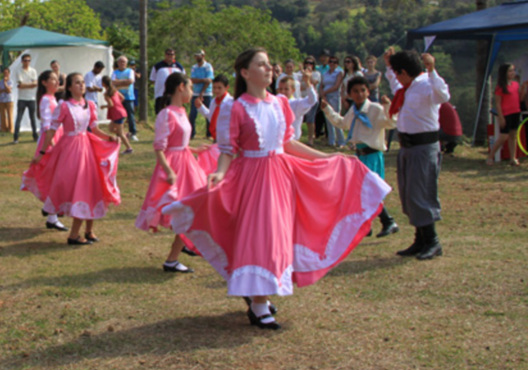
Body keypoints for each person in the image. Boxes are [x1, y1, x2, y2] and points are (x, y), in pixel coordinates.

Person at [162, 48, 391, 330]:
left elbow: (289, 144)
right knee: (261, 236)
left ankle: (259, 295)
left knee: (278, 235)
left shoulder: (280, 103)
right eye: (262, 64)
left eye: (269, 64)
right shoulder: (236, 107)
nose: (269, 68)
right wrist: (220, 173)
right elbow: (227, 149)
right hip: (251, 179)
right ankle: (258, 302)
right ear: (245, 73)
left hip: (280, 175)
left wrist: (327, 158)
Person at [23, 73, 121, 245]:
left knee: (92, 185)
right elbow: (51, 130)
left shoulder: (90, 104)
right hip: (70, 150)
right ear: (69, 87)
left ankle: (89, 230)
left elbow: (95, 129)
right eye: (77, 83)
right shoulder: (64, 106)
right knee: (80, 188)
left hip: (87, 148)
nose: (82, 85)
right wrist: (42, 153)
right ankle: (74, 234)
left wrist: (109, 137)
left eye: (83, 82)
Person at [136, 72, 207, 273]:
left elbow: (179, 142)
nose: (192, 92)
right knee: (186, 209)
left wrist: (193, 149)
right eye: (190, 87)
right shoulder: (166, 114)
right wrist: (168, 171)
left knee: (194, 208)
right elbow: (160, 147)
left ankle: (175, 255)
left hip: (186, 163)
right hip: (175, 166)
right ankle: (174, 257)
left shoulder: (182, 111)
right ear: (181, 87)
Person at [384, 48, 450, 260]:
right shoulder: (408, 88)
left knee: (420, 192)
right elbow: (395, 86)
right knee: (409, 194)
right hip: (408, 147)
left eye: (396, 72)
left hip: (423, 147)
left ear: (404, 72)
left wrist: (432, 70)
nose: (395, 77)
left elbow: (443, 95)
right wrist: (388, 65)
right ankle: (420, 239)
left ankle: (432, 241)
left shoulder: (425, 85)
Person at [321, 75, 400, 238]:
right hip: (360, 155)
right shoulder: (354, 110)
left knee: (371, 191)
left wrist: (388, 107)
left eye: (362, 90)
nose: (359, 94)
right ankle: (367, 225)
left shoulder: (375, 109)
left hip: (372, 154)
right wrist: (328, 110)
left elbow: (391, 123)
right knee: (361, 191)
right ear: (349, 94)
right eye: (355, 91)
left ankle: (388, 221)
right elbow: (343, 123)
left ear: (368, 91)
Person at [20, 70, 67, 232]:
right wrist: (51, 144)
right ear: (44, 82)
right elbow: (47, 124)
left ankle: (51, 213)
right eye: (52, 79)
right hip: (50, 141)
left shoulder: (53, 98)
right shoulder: (46, 100)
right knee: (52, 178)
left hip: (56, 139)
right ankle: (51, 213)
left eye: (57, 79)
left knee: (56, 178)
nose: (56, 82)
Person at [486, 63, 522, 166]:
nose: (512, 73)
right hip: (506, 113)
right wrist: (501, 117)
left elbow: (518, 97)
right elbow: (497, 103)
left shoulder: (515, 84)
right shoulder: (500, 87)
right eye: (510, 71)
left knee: (513, 136)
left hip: (516, 111)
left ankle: (512, 158)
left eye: (513, 71)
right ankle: (490, 156)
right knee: (503, 136)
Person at [277, 71, 318, 140]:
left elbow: (312, 100)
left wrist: (307, 82)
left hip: (292, 139)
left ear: (293, 90)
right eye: (281, 89)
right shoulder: (276, 101)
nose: (283, 92)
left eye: (286, 89)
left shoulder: (296, 103)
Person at [102, 75, 133, 154]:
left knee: (120, 133)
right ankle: (125, 135)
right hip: (120, 111)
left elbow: (111, 104)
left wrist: (104, 106)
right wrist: (118, 104)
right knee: (111, 129)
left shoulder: (106, 94)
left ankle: (129, 148)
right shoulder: (114, 90)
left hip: (117, 113)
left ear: (103, 84)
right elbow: (122, 98)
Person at [150, 48, 185, 115]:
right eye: (168, 54)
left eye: (172, 54)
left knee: (173, 113)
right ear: (165, 55)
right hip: (161, 94)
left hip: (174, 95)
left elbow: (184, 80)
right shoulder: (158, 66)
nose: (170, 56)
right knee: (160, 112)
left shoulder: (179, 66)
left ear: (174, 55)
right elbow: (153, 80)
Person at [111, 55, 138, 141]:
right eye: (120, 62)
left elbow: (130, 81)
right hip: (118, 97)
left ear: (126, 63)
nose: (122, 63)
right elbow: (112, 82)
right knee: (118, 115)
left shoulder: (130, 71)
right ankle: (119, 133)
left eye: (124, 62)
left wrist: (118, 82)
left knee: (130, 115)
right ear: (118, 63)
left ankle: (132, 133)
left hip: (129, 97)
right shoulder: (115, 72)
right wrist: (124, 82)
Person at [13, 53, 38, 143]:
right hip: (22, 98)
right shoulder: (18, 71)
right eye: (25, 60)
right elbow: (20, 84)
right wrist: (31, 84)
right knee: (19, 118)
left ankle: (35, 135)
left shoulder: (33, 71)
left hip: (31, 98)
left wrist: (25, 85)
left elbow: (34, 84)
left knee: (33, 118)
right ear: (22, 61)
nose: (27, 62)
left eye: (29, 60)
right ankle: (16, 137)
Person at [321, 55, 346, 147]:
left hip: (334, 96)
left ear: (337, 64)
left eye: (334, 62)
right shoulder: (325, 73)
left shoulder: (339, 72)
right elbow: (322, 85)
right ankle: (331, 141)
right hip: (326, 97)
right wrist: (323, 95)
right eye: (331, 61)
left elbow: (336, 86)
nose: (332, 64)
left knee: (336, 118)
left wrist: (325, 92)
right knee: (328, 118)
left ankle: (341, 141)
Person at [189, 50, 214, 138]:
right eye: (196, 56)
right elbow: (192, 80)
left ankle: (209, 134)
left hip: (207, 93)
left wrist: (201, 93)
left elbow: (209, 80)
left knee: (209, 114)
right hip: (195, 93)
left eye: (199, 56)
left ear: (203, 56)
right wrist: (203, 80)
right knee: (192, 114)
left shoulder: (208, 66)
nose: (197, 57)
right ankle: (192, 133)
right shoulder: (194, 67)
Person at [0, 66, 14, 134]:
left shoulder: (11, 81)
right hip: (2, 100)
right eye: (4, 73)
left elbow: (9, 90)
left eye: (7, 73)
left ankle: (11, 129)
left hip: (9, 99)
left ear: (9, 73)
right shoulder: (0, 81)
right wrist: (4, 89)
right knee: (2, 114)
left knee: (10, 114)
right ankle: (3, 128)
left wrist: (5, 83)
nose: (5, 74)